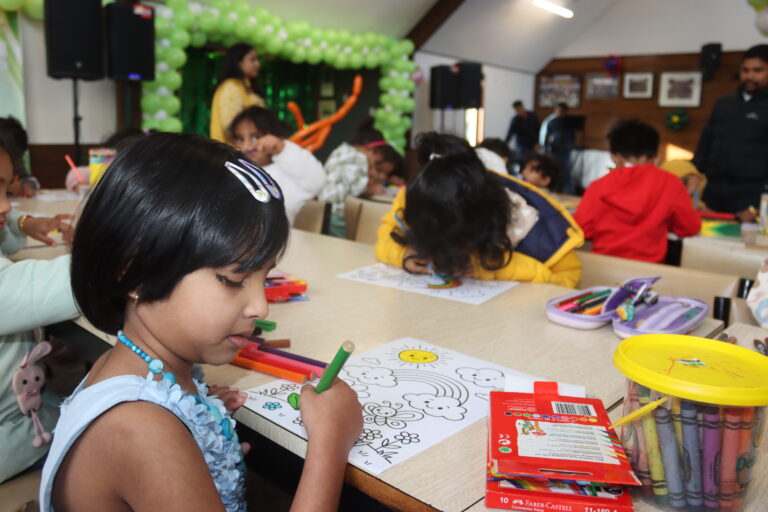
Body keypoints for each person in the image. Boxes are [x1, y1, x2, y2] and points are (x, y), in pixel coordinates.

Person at [39, 133, 363, 511]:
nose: (261, 307)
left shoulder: (142, 369)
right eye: (233, 280)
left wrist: (195, 421)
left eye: (265, 276)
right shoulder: (142, 428)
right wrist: (330, 444)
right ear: (135, 273)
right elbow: (149, 444)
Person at [375, 132, 583, 288]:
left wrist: (491, 267)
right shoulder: (420, 194)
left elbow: (568, 281)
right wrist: (404, 255)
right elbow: (385, 237)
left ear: (482, 225)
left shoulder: (534, 223)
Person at [0, 134, 79, 484]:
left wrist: (23, 222)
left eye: (7, 191)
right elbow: (48, 286)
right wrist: (110, 253)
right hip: (13, 439)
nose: (6, 206)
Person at [574, 120, 701, 263]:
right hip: (649, 270)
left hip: (604, 267)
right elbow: (689, 227)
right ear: (656, 157)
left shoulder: (598, 186)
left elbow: (582, 230)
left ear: (615, 156)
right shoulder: (671, 183)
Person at [694, 44, 768, 221]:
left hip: (752, 197)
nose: (750, 76)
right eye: (745, 70)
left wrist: (761, 205)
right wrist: (693, 175)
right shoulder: (724, 104)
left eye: (757, 70)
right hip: (713, 193)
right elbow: (705, 144)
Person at [229, 106, 326, 224]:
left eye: (255, 137)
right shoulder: (233, 171)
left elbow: (318, 181)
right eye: (240, 139)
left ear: (274, 137)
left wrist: (282, 149)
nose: (246, 146)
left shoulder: (289, 171)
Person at [318, 121, 404, 238]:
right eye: (376, 161)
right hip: (337, 211)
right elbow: (357, 189)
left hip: (323, 207)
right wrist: (374, 190)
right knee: (342, 243)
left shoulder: (341, 151)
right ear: (371, 150)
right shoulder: (360, 158)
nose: (372, 166)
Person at [210, 43, 266, 143]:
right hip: (233, 150)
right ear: (238, 62)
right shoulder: (231, 87)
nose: (257, 64)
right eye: (252, 60)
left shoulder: (247, 86)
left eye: (257, 60)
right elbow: (231, 127)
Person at [0, 116, 40, 198]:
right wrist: (5, 189)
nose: (19, 162)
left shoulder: (17, 166)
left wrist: (25, 186)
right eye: (15, 156)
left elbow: (30, 179)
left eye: (20, 156)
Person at [540, 103, 576, 193]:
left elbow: (572, 136)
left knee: (566, 172)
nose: (559, 112)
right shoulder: (552, 122)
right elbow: (547, 137)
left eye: (561, 111)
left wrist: (571, 145)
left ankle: (570, 192)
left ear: (565, 112)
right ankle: (555, 191)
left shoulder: (569, 122)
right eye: (557, 110)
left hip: (565, 150)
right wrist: (546, 149)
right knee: (555, 171)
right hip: (555, 150)